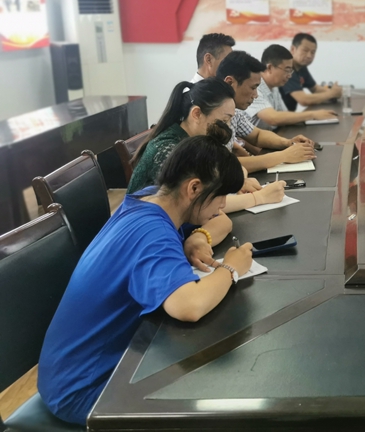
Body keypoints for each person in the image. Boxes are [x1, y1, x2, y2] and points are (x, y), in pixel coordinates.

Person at [38, 130, 255, 425]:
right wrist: (231, 268)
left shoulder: (150, 200)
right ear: (194, 188)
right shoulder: (152, 234)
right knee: (221, 395)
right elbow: (188, 306)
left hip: (70, 370)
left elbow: (222, 221)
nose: (222, 205)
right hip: (87, 390)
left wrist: (197, 238)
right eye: (220, 196)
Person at [128, 78, 285, 213]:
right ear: (197, 114)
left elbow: (230, 170)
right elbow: (200, 205)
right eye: (224, 121)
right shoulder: (169, 149)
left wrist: (239, 182)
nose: (228, 128)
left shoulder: (199, 142)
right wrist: (259, 197)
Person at [216, 50, 317, 172]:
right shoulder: (211, 112)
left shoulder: (235, 112)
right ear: (230, 82)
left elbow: (257, 135)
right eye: (253, 88)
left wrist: (288, 143)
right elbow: (224, 165)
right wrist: (283, 156)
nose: (256, 95)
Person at [247, 44, 338, 129]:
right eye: (287, 70)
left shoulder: (274, 87)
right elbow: (273, 118)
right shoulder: (254, 88)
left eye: (291, 71)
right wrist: (313, 115)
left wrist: (316, 118)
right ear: (270, 68)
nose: (289, 76)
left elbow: (284, 115)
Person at [280, 33, 342, 111]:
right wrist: (331, 94)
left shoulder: (301, 67)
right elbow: (303, 100)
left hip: (288, 115)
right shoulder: (286, 68)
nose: (309, 56)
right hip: (277, 116)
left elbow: (315, 89)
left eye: (312, 52)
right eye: (305, 50)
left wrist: (336, 92)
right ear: (293, 49)